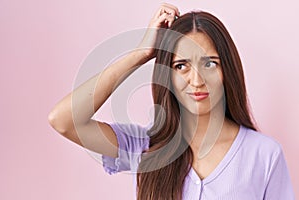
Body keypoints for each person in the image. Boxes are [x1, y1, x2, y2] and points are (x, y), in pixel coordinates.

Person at [48, 3, 295, 200]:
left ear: (226, 71)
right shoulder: (145, 147)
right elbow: (63, 120)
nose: (197, 80)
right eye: (181, 66)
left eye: (209, 63)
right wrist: (142, 53)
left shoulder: (264, 155)